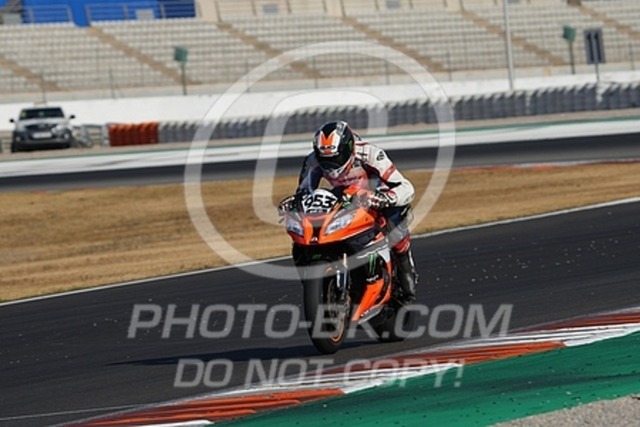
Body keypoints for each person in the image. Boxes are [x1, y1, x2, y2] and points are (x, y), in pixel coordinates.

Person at [279, 120, 418, 304]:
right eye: (325, 160)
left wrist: (386, 197)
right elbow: (304, 192)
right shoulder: (313, 160)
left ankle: (406, 268)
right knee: (304, 236)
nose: (331, 165)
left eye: (336, 158)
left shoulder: (370, 153)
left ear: (349, 149)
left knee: (394, 222)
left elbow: (406, 187)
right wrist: (294, 204)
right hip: (343, 196)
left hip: (376, 194)